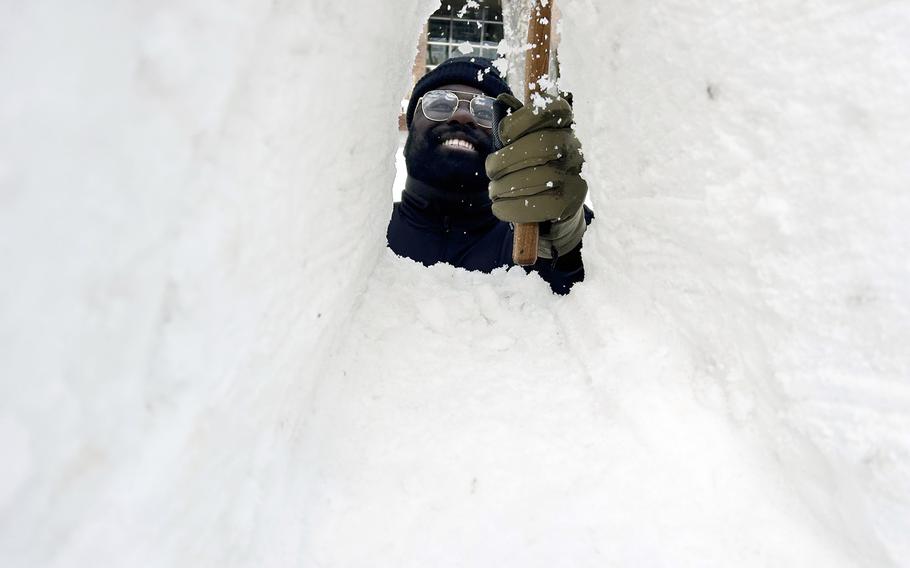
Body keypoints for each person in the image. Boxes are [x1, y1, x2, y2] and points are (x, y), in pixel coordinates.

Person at [387, 56, 591, 294]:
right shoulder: (359, 232)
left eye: (484, 111)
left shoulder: (534, 235)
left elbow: (590, 281)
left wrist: (564, 236)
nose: (462, 116)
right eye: (439, 105)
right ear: (410, 126)